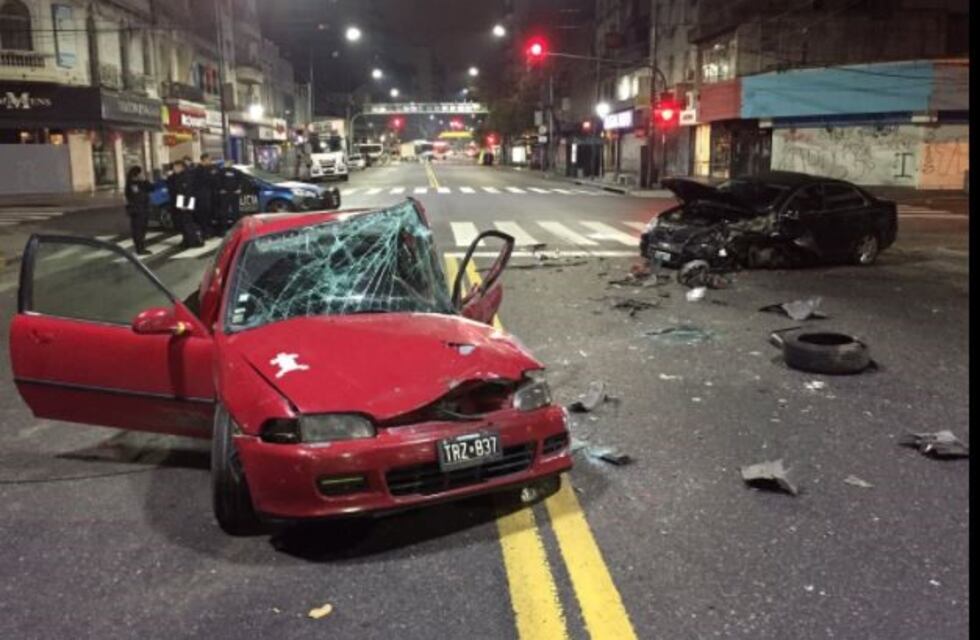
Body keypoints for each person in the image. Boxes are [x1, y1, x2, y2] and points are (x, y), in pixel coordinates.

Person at [166, 160, 204, 248]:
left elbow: (187, 192)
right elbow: (171, 186)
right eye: (174, 167)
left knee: (187, 222)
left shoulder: (187, 176)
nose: (174, 169)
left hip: (186, 202)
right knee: (181, 223)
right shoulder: (176, 176)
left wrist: (185, 205)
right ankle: (186, 240)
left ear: (181, 167)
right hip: (178, 202)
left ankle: (193, 241)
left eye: (176, 167)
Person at [124, 166, 153, 256]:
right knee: (138, 230)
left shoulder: (141, 183)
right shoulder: (132, 184)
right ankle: (140, 249)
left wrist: (145, 180)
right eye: (141, 173)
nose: (142, 175)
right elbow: (137, 197)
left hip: (143, 210)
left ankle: (141, 247)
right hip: (137, 210)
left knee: (143, 229)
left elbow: (151, 188)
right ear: (136, 174)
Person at [194, 153, 218, 237]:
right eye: (209, 159)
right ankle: (204, 232)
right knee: (203, 215)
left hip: (209, 195)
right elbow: (203, 181)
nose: (210, 161)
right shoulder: (198, 170)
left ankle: (208, 231)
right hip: (202, 196)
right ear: (204, 159)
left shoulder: (209, 168)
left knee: (208, 214)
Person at [215, 163, 243, 235]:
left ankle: (236, 229)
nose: (229, 164)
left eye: (230, 162)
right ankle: (223, 230)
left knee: (235, 212)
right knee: (224, 213)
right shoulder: (221, 171)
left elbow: (241, 180)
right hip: (225, 194)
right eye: (227, 162)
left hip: (234, 194)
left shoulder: (237, 171)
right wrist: (220, 189)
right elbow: (217, 181)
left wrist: (239, 189)